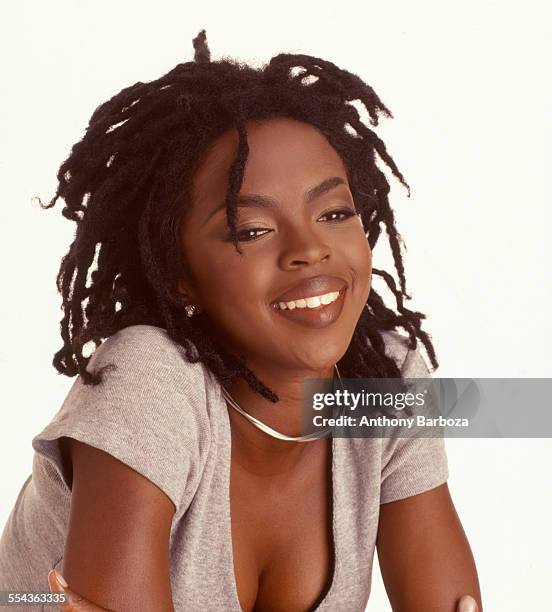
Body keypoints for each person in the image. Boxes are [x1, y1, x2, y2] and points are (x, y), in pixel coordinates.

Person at [0, 30, 482, 611]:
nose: (310, 250)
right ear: (180, 272)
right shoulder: (152, 384)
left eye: (334, 212)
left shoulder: (385, 381)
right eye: (252, 230)